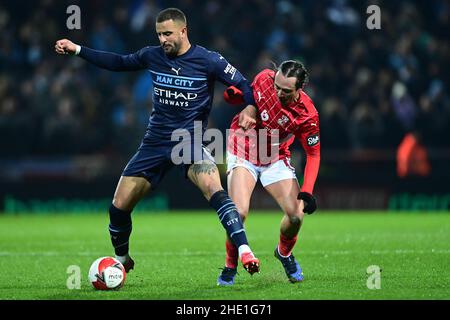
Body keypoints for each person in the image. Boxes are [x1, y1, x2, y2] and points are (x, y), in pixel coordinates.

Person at [54, 8, 260, 276]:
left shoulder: (209, 60)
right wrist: (77, 49)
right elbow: (118, 62)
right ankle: (123, 259)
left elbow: (246, 86)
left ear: (183, 31)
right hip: (155, 141)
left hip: (188, 141)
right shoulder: (152, 55)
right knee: (118, 206)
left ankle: (244, 250)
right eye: (159, 34)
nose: (163, 39)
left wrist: (250, 109)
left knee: (213, 187)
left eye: (168, 33)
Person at [217, 60, 320, 285]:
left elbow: (313, 154)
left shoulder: (307, 115)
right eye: (277, 87)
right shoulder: (264, 78)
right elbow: (248, 96)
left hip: (274, 157)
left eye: (286, 91)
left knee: (295, 216)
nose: (279, 93)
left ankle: (283, 253)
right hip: (243, 147)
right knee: (239, 213)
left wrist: (308, 191)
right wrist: (235, 98)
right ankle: (230, 265)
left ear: (299, 89)